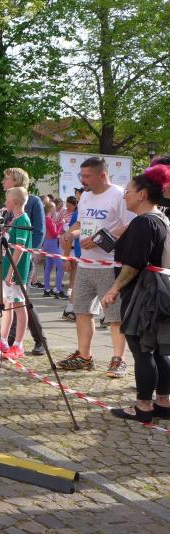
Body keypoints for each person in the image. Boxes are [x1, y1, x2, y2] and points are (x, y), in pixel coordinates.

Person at [101, 164, 170, 421]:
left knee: (142, 350)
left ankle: (143, 407)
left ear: (142, 194)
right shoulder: (161, 218)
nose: (124, 196)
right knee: (159, 349)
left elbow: (134, 264)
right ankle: (163, 402)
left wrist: (114, 289)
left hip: (144, 293)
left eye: (128, 191)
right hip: (159, 289)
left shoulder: (143, 222)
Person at [56, 157, 133, 377]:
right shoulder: (87, 196)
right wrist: (71, 233)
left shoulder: (118, 194)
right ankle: (84, 355)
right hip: (86, 263)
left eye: (87, 176)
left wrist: (101, 238)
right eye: (81, 175)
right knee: (82, 310)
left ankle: (119, 359)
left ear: (102, 175)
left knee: (114, 315)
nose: (83, 180)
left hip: (110, 264)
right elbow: (81, 223)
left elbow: (129, 224)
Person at [1, 168, 47, 355]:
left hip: (22, 259)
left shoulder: (33, 201)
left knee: (22, 302)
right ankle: (7, 340)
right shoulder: (9, 204)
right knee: (11, 302)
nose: (3, 182)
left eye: (6, 178)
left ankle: (39, 340)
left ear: (16, 181)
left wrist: (31, 253)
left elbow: (39, 230)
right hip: (9, 257)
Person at [0, 187, 33, 359]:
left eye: (7, 200)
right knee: (7, 304)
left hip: (16, 271)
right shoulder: (14, 219)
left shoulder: (23, 220)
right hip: (7, 267)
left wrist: (10, 273)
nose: (5, 203)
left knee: (19, 305)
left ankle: (18, 344)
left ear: (14, 201)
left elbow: (19, 249)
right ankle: (3, 340)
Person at [43, 201, 66, 297]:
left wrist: (59, 223)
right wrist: (61, 224)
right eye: (54, 207)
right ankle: (58, 290)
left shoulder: (47, 219)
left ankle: (47, 289)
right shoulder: (48, 220)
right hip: (51, 244)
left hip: (48, 244)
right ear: (51, 209)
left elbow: (53, 227)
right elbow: (54, 234)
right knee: (60, 266)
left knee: (48, 266)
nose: (55, 209)